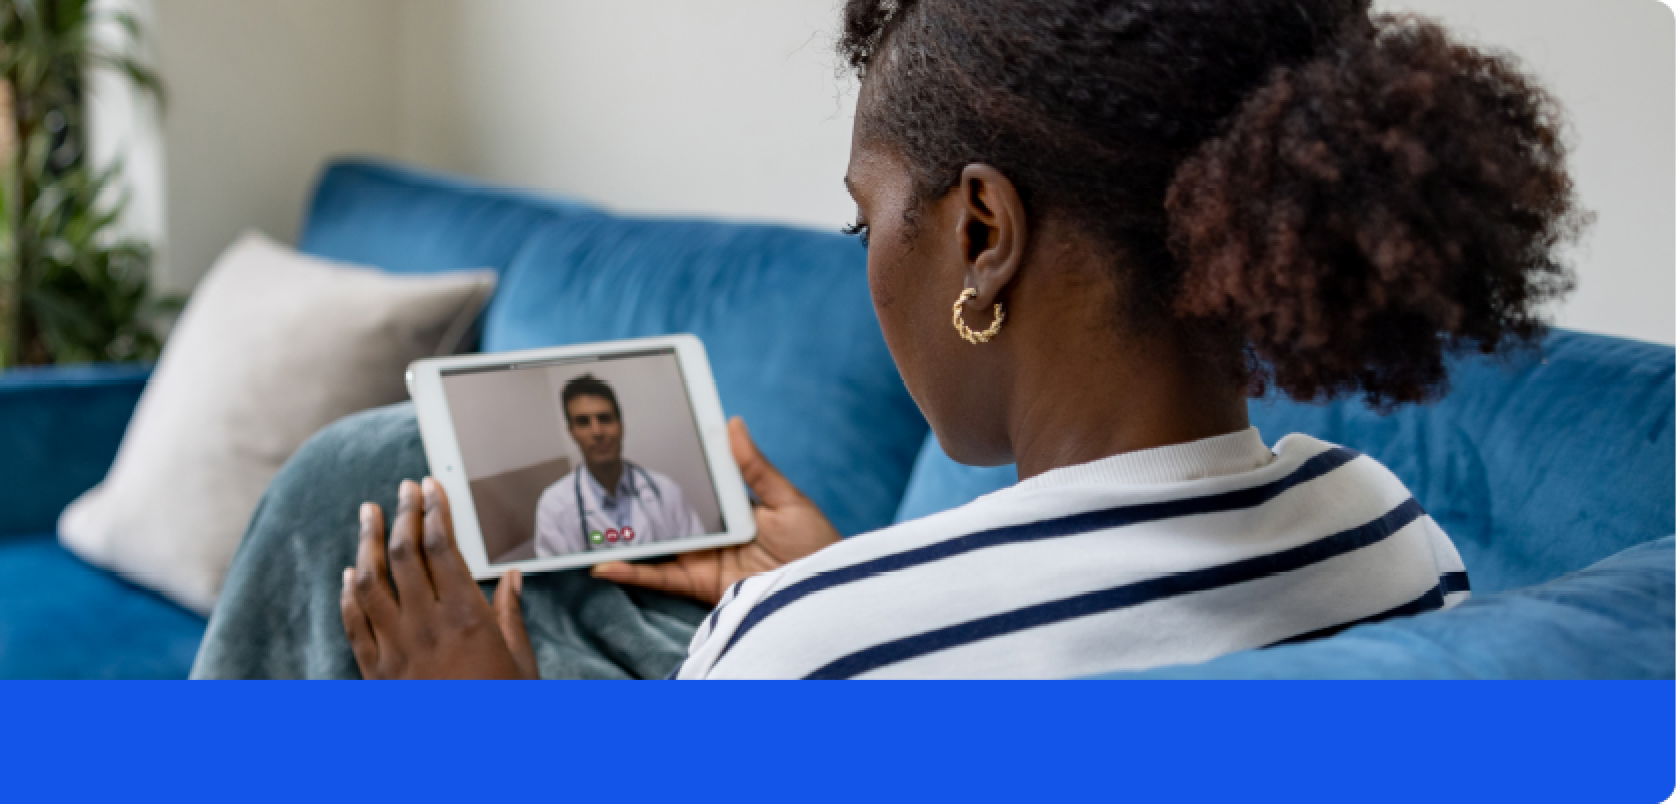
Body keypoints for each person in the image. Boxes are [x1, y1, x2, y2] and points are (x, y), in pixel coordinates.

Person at [200, 0, 1583, 680]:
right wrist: (852, 573)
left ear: (982, 232)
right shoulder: (1391, 532)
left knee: (358, 490)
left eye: (867, 224)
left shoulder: (808, 650)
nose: (865, 263)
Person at [533, 374, 704, 557]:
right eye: (583, 422)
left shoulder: (666, 491)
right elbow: (557, 582)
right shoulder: (553, 506)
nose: (597, 432)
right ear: (572, 432)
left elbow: (700, 560)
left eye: (605, 418)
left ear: (621, 426)